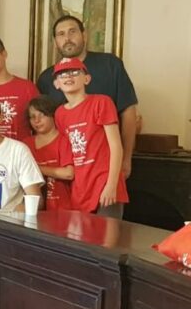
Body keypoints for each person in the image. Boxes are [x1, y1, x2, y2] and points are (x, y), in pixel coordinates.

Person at [36, 15, 139, 179]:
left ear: (84, 35)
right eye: (61, 34)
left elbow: (129, 112)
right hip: (65, 168)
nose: (67, 38)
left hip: (105, 167)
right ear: (55, 42)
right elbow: (43, 126)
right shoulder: (46, 78)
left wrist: (126, 158)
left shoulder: (110, 65)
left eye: (72, 31)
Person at [51, 58, 128, 218]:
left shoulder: (101, 102)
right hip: (80, 188)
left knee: (107, 232)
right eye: (62, 74)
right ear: (56, 83)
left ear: (87, 78)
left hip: (105, 182)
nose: (68, 76)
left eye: (74, 72)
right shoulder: (59, 114)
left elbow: (116, 146)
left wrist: (111, 185)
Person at [23, 96, 73, 211]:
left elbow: (68, 173)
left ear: (52, 115)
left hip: (62, 209)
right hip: (34, 209)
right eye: (32, 117)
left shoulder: (63, 140)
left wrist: (35, 168)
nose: (37, 120)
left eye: (42, 115)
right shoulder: (25, 144)